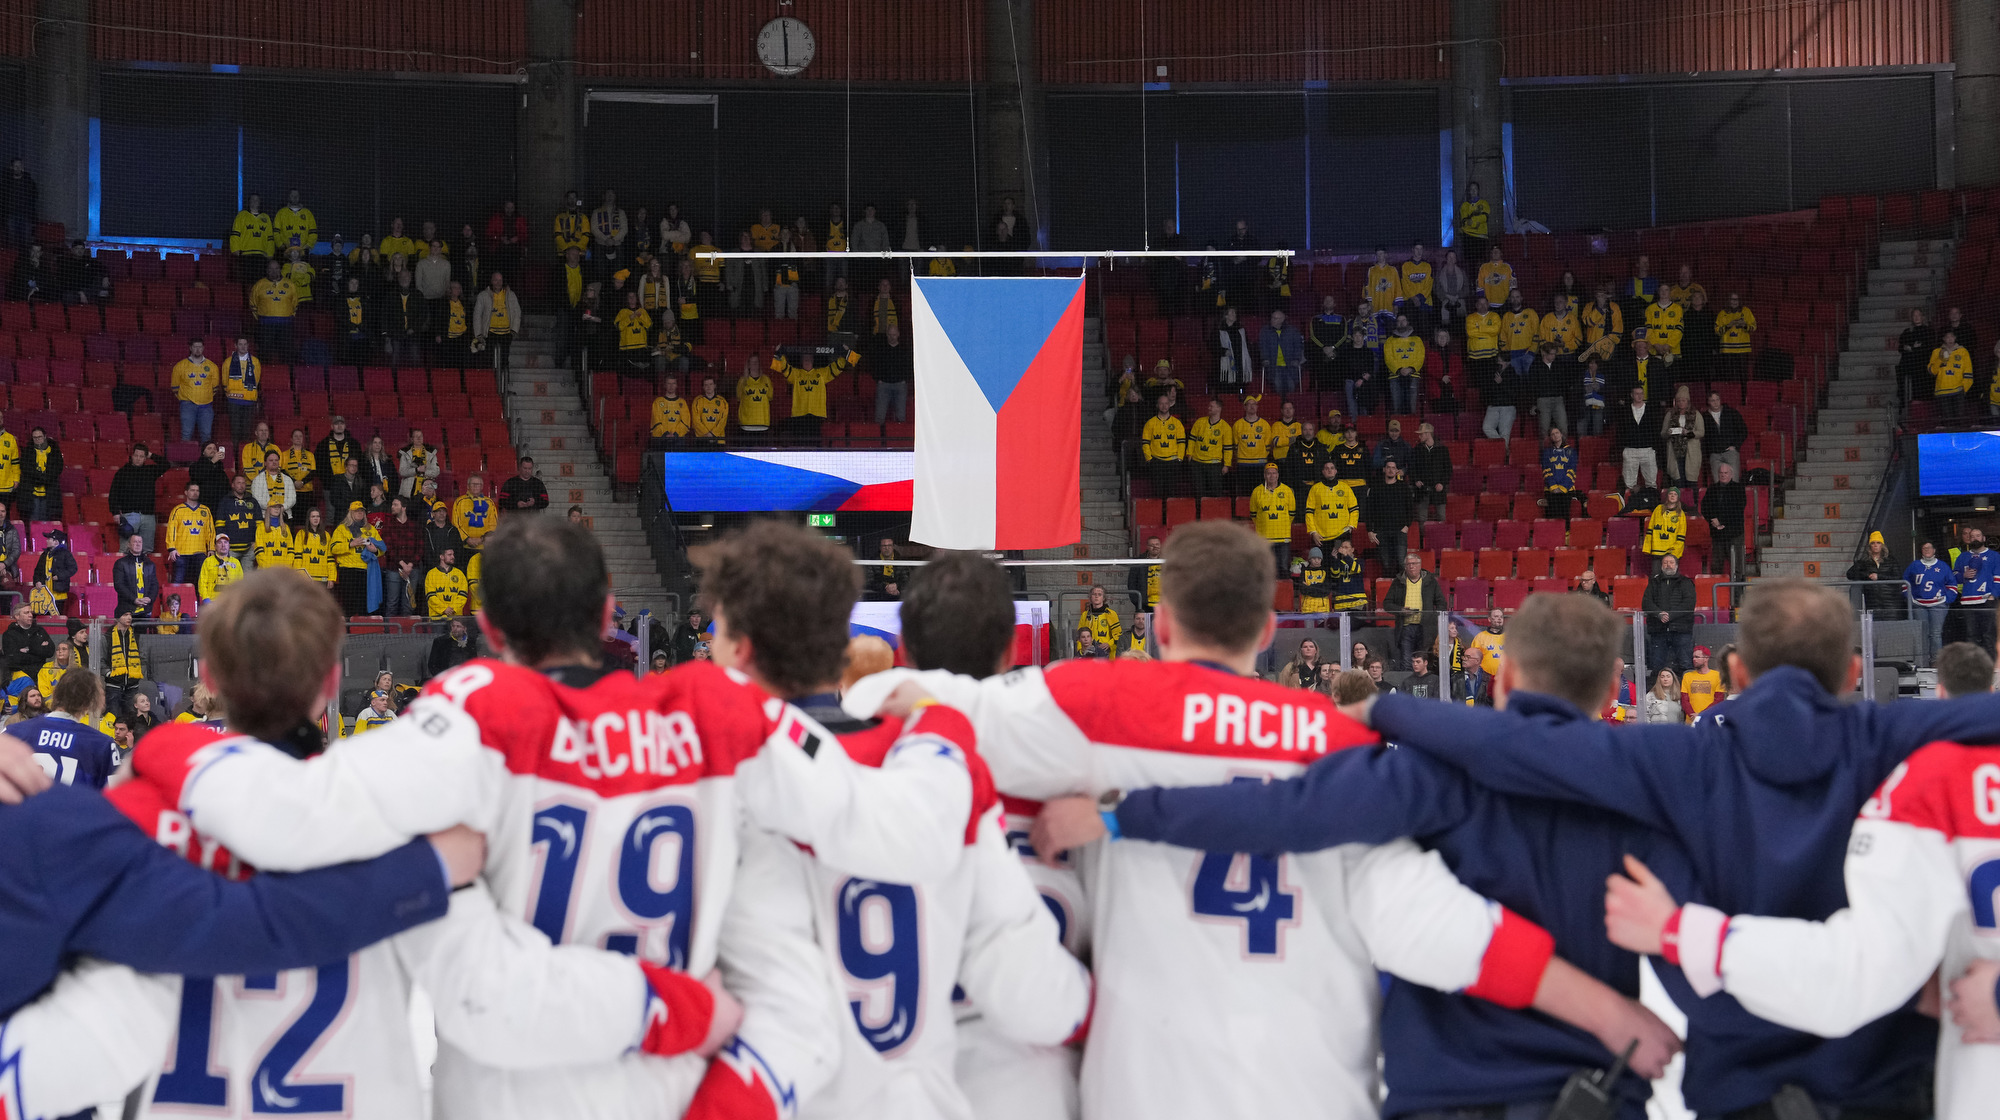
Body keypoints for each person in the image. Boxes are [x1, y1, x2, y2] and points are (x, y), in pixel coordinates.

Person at [851, 522, 1674, 1120]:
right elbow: (1432, 927)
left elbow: (919, 702)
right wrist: (1609, 1011)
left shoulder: (1092, 704)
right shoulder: (1340, 744)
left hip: (1142, 1089)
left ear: (1160, 624)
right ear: (1272, 629)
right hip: (1311, 1090)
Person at [1343, 576, 2000, 1117]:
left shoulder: (1683, 758)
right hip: (1882, 1080)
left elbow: (1526, 743)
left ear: (1737, 670)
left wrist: (1384, 710)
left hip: (1741, 1088)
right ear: (1855, 670)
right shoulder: (1898, 737)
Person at [12, 666, 115, 788]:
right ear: (91, 700)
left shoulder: (13, 732)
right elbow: (115, 797)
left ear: (55, 694)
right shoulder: (102, 744)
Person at [1382, 551, 1446, 671]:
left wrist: (1432, 618)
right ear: (1405, 566)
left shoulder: (1431, 581)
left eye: (1414, 564)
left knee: (1423, 661)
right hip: (1405, 628)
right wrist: (1400, 610)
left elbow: (1441, 603)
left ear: (1420, 565)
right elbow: (1387, 604)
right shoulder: (1398, 582)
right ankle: (1407, 688)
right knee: (1407, 661)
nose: (1411, 566)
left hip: (1426, 628)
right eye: (1408, 564)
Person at [1642, 552, 1697, 674]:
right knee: (1657, 666)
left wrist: (1670, 616)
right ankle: (1656, 693)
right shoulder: (1653, 582)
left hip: (1681, 631)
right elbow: (1646, 603)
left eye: (1671, 562)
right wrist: (1659, 614)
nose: (1668, 565)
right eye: (1665, 562)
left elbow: (1689, 604)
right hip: (1658, 630)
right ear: (1661, 565)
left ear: (1676, 565)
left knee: (1685, 664)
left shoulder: (1686, 582)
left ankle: (1685, 692)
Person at [1906, 540, 1957, 667]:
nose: (1927, 550)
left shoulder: (1943, 566)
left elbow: (1952, 585)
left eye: (1929, 548)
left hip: (1938, 605)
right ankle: (1922, 661)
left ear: (1934, 550)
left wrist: (1947, 599)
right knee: (1922, 634)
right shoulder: (1914, 566)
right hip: (1919, 604)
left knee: (1935, 633)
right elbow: (1905, 583)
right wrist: (1910, 598)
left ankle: (1936, 661)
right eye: (1924, 548)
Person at [330, 501, 382, 616]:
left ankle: (363, 632)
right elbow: (333, 548)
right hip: (348, 570)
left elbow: (381, 547)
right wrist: (350, 544)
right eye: (357, 511)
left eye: (362, 511)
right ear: (351, 513)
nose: (360, 513)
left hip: (365, 570)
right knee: (349, 605)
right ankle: (349, 631)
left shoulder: (371, 529)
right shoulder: (342, 529)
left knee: (364, 604)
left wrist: (375, 550)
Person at [1365, 460, 1415, 576]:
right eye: (1388, 467)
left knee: (1402, 563)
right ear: (1384, 469)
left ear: (1397, 470)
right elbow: (1369, 511)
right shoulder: (1376, 488)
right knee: (1385, 564)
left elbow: (1410, 509)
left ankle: (1404, 591)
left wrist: (1406, 526)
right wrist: (1369, 530)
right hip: (1381, 531)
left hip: (1399, 531)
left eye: (1393, 468)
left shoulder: (1404, 487)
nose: (1391, 470)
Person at [1247, 463, 1295, 573]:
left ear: (1278, 475)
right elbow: (1253, 514)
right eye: (1269, 473)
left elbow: (1292, 513)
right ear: (1264, 475)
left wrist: (1282, 524)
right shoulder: (1257, 492)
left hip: (1283, 537)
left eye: (1274, 473)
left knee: (1283, 568)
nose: (1272, 476)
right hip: (1264, 538)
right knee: (1266, 570)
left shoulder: (1287, 491)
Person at [1954, 529, 1996, 656]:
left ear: (1983, 538)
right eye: (1972, 536)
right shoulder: (1963, 557)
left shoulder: (1995, 556)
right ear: (1969, 539)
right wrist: (1963, 575)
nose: (1975, 538)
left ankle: (1992, 665)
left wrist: (1993, 594)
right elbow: (1954, 575)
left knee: (1988, 634)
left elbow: (1998, 577)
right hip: (1968, 601)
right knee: (1971, 635)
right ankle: (1972, 665)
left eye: (1978, 536)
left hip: (1987, 600)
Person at [1847, 530, 1905, 620]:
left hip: (1891, 602)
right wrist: (1868, 575)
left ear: (1882, 545)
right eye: (1873, 543)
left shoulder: (1891, 560)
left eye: (1878, 543)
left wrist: (1879, 577)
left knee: (1891, 630)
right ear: (1870, 545)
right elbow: (1850, 574)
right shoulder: (1864, 561)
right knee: (1875, 631)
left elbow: (1898, 577)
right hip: (1872, 602)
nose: (1875, 545)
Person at [473, 271, 520, 374]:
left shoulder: (510, 295)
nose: (498, 283)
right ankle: (489, 386)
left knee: (504, 361)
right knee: (488, 360)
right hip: (489, 333)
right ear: (491, 281)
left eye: (500, 280)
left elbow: (517, 313)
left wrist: (514, 330)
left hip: (506, 333)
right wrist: (479, 334)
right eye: (495, 280)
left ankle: (504, 386)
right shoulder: (483, 295)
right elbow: (477, 315)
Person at [1660, 384, 1704, 487]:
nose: (1681, 403)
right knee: (1678, 481)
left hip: (1691, 451)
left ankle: (1693, 502)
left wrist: (1689, 433)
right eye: (1679, 400)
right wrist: (1668, 433)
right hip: (1675, 452)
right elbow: (1663, 433)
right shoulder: (1670, 414)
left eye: (1683, 400)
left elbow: (1701, 432)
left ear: (1688, 401)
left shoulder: (1696, 414)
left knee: (1691, 481)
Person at [1642, 485, 1688, 575]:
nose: (1672, 495)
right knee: (1655, 577)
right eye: (1670, 493)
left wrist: (1675, 553)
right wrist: (1647, 548)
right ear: (1667, 496)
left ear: (1678, 497)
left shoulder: (1681, 514)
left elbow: (1681, 535)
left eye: (1675, 494)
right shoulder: (1658, 509)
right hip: (1656, 550)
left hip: (1671, 552)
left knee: (1671, 578)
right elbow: (1650, 529)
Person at [1932, 328, 1974, 417]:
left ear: (1955, 338)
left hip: (1958, 391)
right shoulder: (1937, 352)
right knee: (1947, 420)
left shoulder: (1963, 351)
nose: (1950, 339)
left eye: (1952, 336)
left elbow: (1968, 372)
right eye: (1947, 337)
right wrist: (1940, 359)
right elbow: (1932, 371)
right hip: (1942, 392)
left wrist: (1964, 389)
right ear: (1943, 338)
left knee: (1959, 418)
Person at [1540, 426, 1577, 522]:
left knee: (1565, 515)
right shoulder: (1547, 452)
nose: (1555, 435)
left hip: (1567, 489)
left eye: (1557, 433)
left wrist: (1563, 487)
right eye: (1552, 434)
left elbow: (1572, 470)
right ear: (1550, 438)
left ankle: (1566, 536)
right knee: (1553, 514)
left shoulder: (1571, 451)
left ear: (1561, 434)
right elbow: (1546, 470)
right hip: (1551, 489)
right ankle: (1554, 536)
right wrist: (1553, 487)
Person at [1679, 643, 1725, 718]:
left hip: (1709, 719)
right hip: (1691, 720)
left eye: (1697, 657)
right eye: (1693, 657)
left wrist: (1702, 714)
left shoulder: (1717, 676)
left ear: (1706, 658)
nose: (1694, 659)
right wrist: (1692, 714)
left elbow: (1719, 699)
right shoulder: (1687, 676)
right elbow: (1684, 700)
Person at [197, 534, 244, 604]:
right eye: (220, 543)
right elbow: (202, 583)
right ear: (215, 547)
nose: (223, 545)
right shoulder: (208, 561)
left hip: (230, 601)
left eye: (225, 542)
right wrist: (206, 598)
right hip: (213, 601)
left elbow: (241, 583)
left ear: (229, 545)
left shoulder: (236, 562)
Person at [452, 473, 496, 547]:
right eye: (473, 484)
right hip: (465, 546)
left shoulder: (490, 503)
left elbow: (493, 524)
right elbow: (456, 524)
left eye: (478, 484)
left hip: (484, 546)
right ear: (468, 486)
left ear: (482, 486)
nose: (475, 486)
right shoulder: (459, 502)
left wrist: (482, 539)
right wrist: (467, 539)